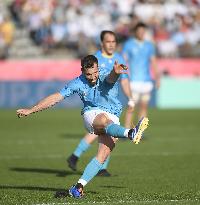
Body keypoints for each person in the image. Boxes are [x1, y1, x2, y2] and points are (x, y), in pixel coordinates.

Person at [16, 54, 149, 198]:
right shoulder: (77, 82)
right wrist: (31, 110)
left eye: (94, 72)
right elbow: (55, 98)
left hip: (113, 116)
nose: (92, 77)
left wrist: (115, 73)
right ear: (82, 71)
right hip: (91, 114)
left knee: (102, 156)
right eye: (88, 74)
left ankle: (77, 188)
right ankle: (131, 133)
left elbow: (111, 78)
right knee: (103, 120)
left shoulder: (105, 75)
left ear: (98, 69)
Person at [67, 30, 135, 176]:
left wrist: (130, 98)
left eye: (113, 42)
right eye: (108, 42)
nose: (111, 45)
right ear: (102, 43)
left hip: (112, 102)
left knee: (109, 134)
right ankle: (83, 159)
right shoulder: (95, 59)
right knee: (103, 130)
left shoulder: (118, 58)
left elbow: (124, 80)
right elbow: (87, 79)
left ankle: (80, 158)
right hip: (98, 103)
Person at [122, 22, 160, 128]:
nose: (141, 33)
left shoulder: (149, 46)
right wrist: (122, 76)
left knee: (144, 107)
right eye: (139, 32)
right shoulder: (129, 45)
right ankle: (127, 129)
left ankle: (139, 131)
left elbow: (153, 62)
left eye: (143, 32)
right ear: (135, 32)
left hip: (146, 81)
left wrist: (158, 78)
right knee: (131, 106)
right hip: (133, 81)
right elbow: (124, 61)